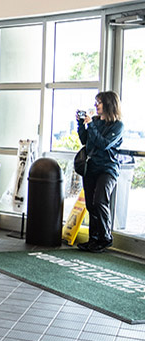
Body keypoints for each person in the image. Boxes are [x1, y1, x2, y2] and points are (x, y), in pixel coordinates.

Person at [76, 91, 124, 253]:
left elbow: (103, 144)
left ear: (109, 105)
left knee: (100, 201)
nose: (96, 105)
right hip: (91, 168)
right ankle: (93, 239)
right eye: (96, 102)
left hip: (107, 169)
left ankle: (105, 237)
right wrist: (81, 125)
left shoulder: (118, 126)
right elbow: (86, 140)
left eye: (99, 102)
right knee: (90, 204)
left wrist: (91, 126)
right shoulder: (95, 121)